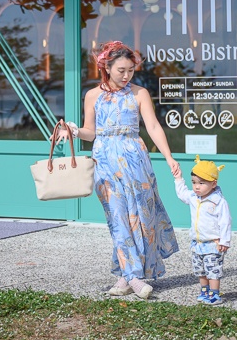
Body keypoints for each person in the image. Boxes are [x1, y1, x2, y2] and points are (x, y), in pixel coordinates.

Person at [67, 41, 181, 300]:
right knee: (117, 218)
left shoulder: (139, 93)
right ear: (106, 67)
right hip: (105, 161)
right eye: (121, 70)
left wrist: (169, 157)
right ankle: (134, 278)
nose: (126, 75)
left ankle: (125, 277)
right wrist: (73, 131)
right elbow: (90, 132)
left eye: (130, 70)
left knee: (139, 219)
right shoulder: (92, 95)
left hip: (135, 160)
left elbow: (152, 127)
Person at [174, 155, 232, 305]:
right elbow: (182, 194)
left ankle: (215, 294)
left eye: (201, 183)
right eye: (194, 182)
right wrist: (179, 178)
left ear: (213, 184)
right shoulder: (194, 197)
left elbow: (225, 221)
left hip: (213, 243)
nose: (196, 187)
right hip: (197, 242)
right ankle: (204, 291)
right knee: (200, 270)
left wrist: (225, 241)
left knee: (213, 270)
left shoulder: (218, 201)